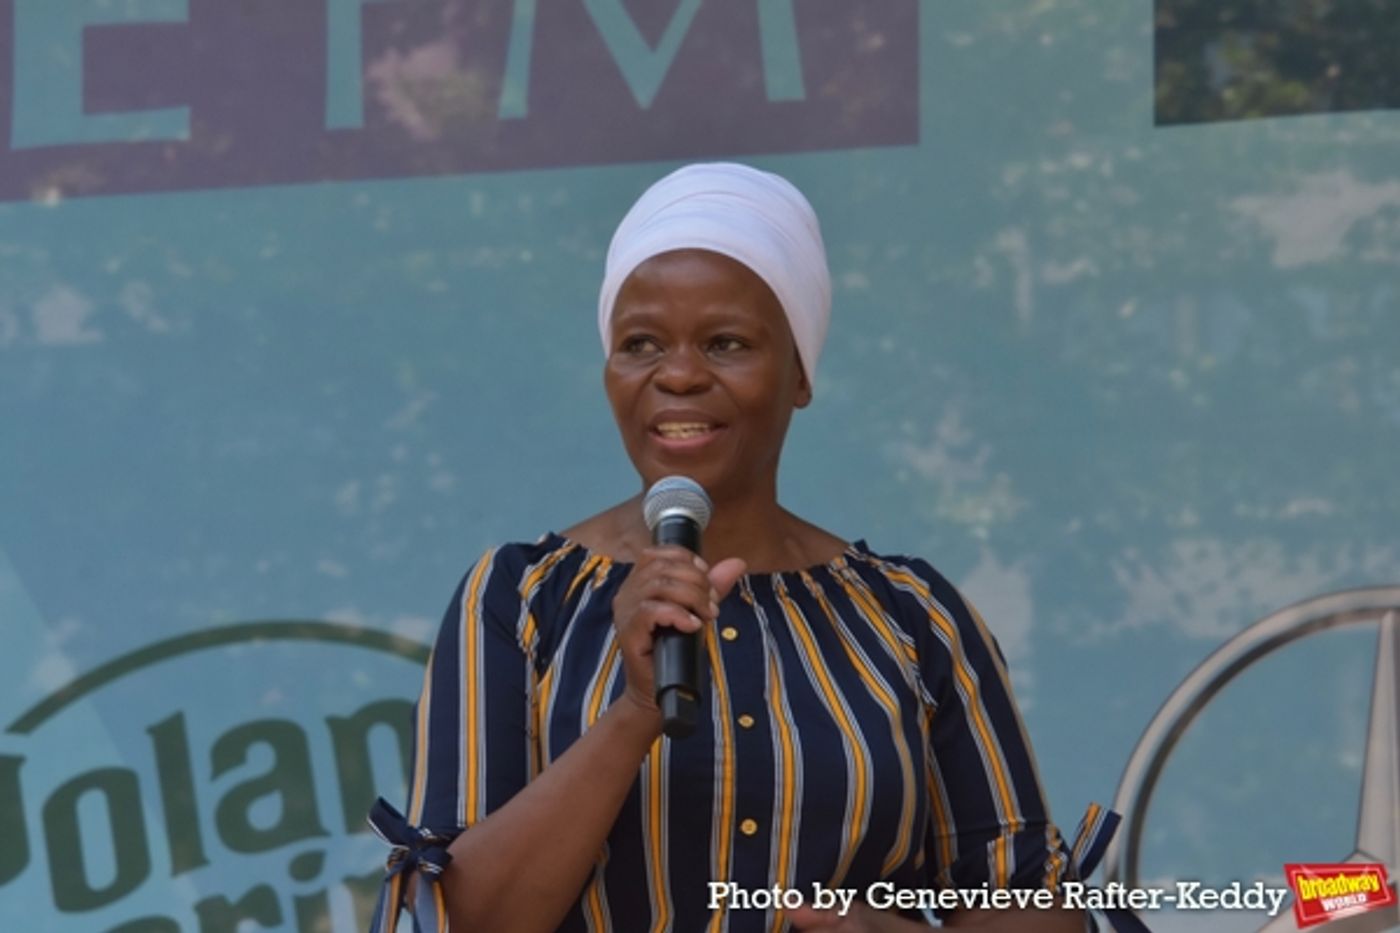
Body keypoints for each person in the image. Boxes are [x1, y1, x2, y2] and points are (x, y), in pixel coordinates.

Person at [367, 162, 1117, 932]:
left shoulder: (912, 616)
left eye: (725, 343)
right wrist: (632, 712)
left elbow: (1027, 901)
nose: (680, 375)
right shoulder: (522, 599)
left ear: (798, 372)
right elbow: (451, 921)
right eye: (641, 344)